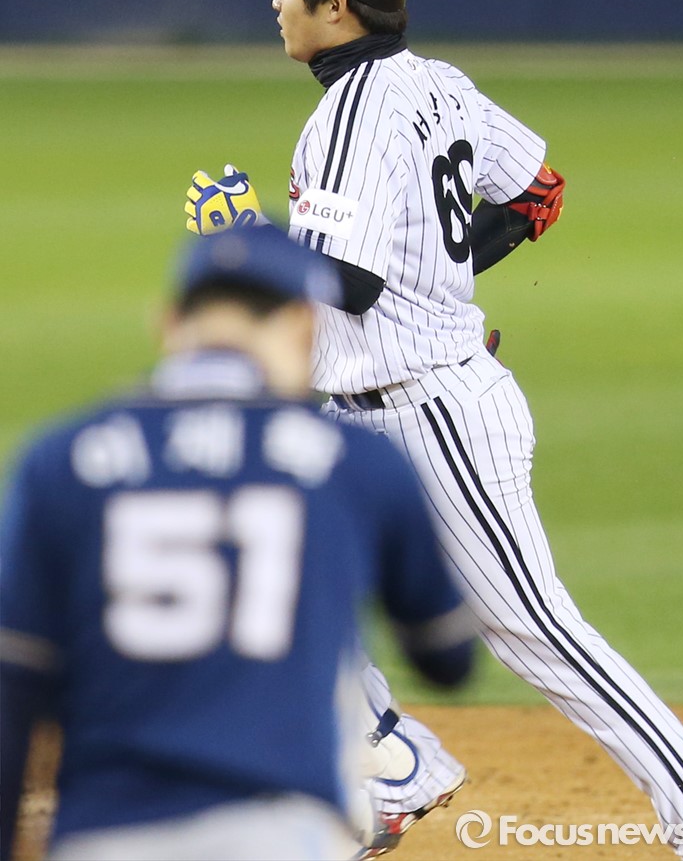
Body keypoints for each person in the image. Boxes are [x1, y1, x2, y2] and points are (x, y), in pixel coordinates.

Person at [183, 0, 683, 859]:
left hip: (430, 415)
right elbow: (537, 194)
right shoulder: (437, 85)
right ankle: (396, 759)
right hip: (366, 413)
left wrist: (244, 238)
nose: (276, 2)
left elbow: (350, 281)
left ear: (337, 6)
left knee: (535, 629)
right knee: (259, 563)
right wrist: (440, 283)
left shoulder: (350, 116)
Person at [0, 225, 478, 861]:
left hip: (108, 832)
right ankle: (394, 760)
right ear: (303, 326)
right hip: (279, 831)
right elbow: (448, 659)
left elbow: (15, 684)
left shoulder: (59, 462)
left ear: (168, 323)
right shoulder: (353, 463)